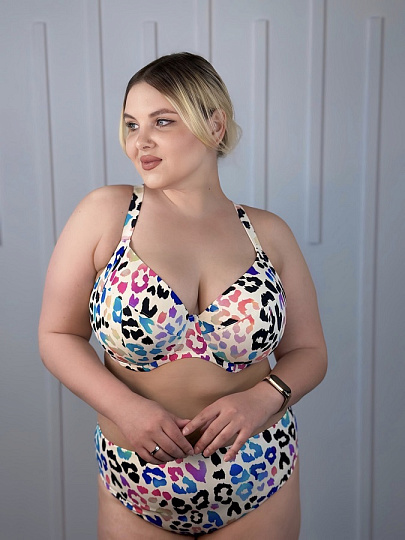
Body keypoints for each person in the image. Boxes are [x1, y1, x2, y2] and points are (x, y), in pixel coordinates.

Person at [39, 52, 327, 539]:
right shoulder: (106, 214)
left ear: (214, 125)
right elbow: (57, 335)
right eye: (131, 124)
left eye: (162, 121)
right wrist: (126, 408)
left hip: (259, 471)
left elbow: (310, 352)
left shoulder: (268, 233)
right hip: (136, 479)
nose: (140, 141)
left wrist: (262, 399)